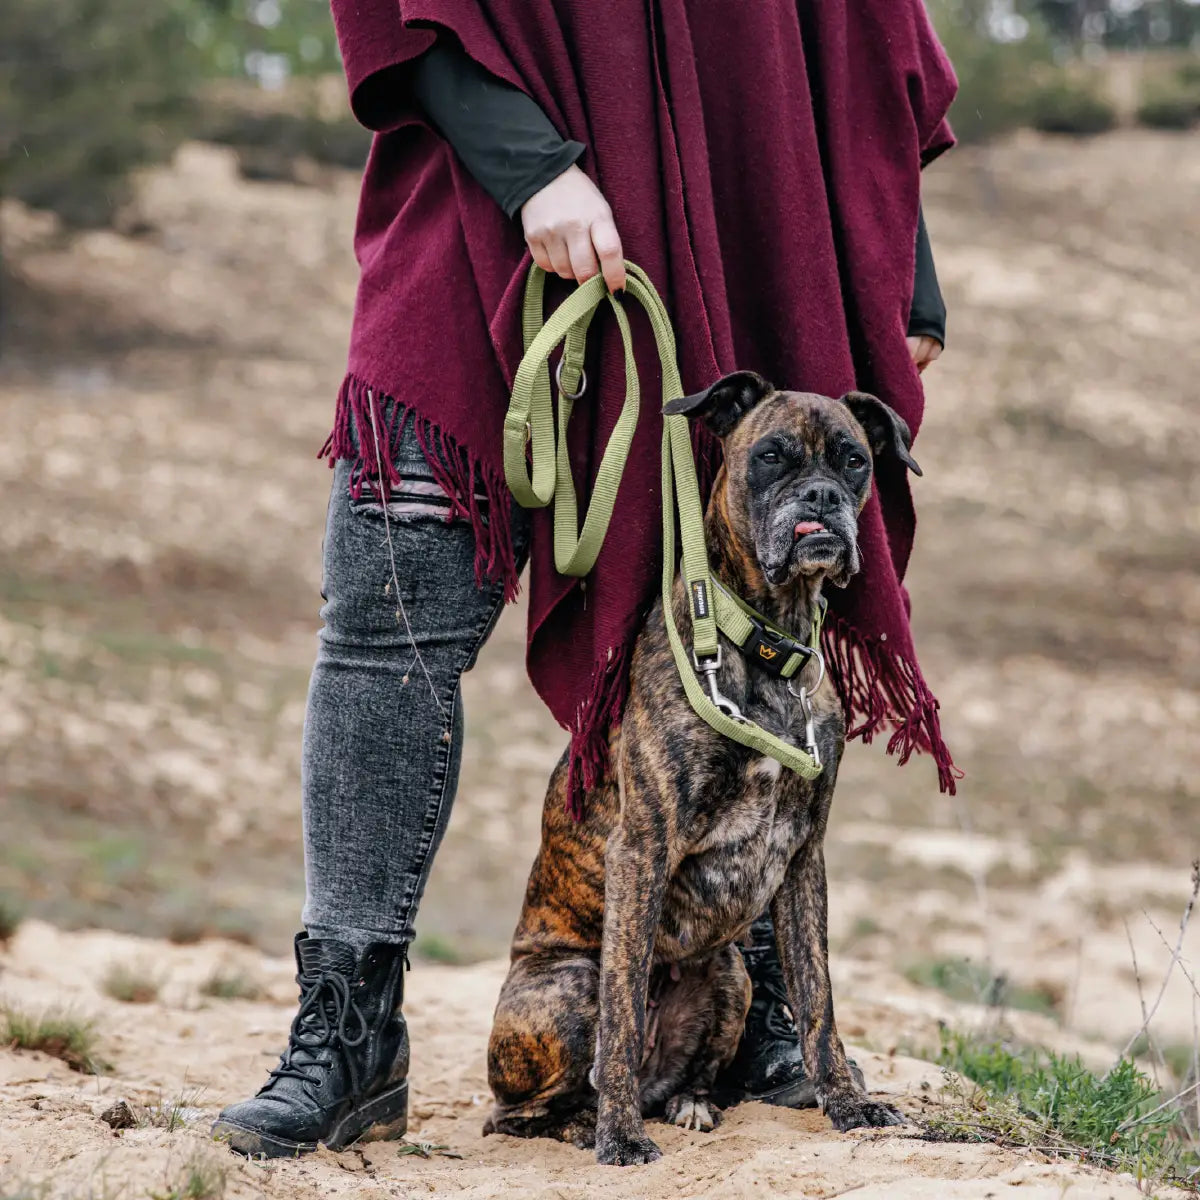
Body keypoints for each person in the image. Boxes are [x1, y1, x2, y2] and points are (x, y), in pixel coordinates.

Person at [212, 0, 958, 1159]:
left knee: (742, 621)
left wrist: (904, 263)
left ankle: (755, 1015)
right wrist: (528, 165)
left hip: (751, 190)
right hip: (479, 204)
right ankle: (347, 1040)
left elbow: (867, 24)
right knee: (389, 613)